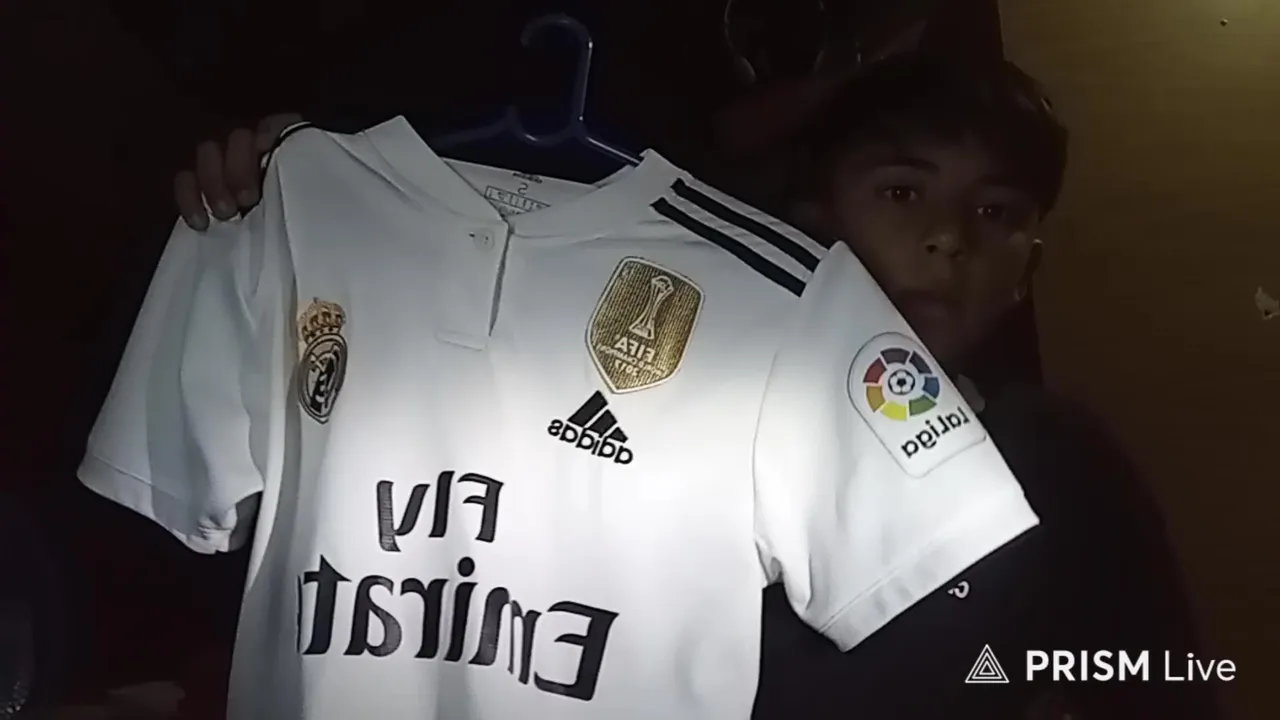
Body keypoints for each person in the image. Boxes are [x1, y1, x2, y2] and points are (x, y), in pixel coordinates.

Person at [167, 53, 1213, 719]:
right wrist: (295, 192)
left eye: (995, 215)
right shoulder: (659, 393)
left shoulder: (1060, 466)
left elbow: (1169, 681)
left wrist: (1014, 680)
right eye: (903, 193)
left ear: (1029, 263)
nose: (947, 240)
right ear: (813, 218)